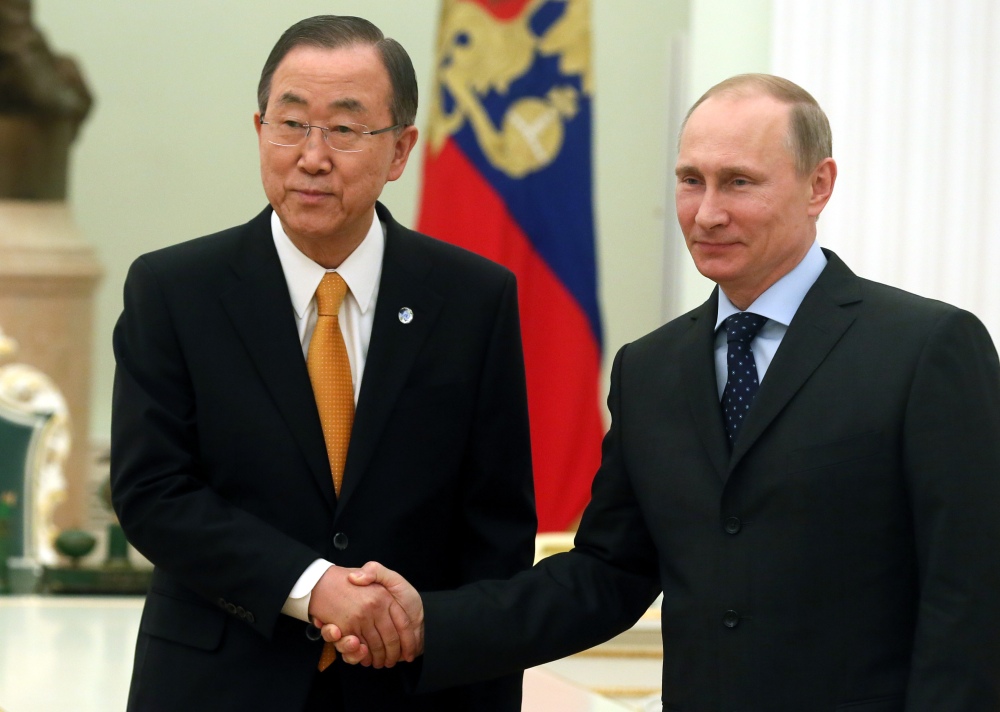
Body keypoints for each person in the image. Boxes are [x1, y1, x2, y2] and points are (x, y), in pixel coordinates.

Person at [324, 74, 1000, 710]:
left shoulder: (926, 348)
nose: (707, 213)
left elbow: (969, 594)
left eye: (738, 183)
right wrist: (425, 621)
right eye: (690, 181)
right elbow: (604, 575)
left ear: (818, 186)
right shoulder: (651, 369)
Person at [109, 15, 536, 712]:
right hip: (218, 685)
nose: (312, 155)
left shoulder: (472, 299)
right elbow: (154, 492)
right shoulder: (175, 290)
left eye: (344, 129)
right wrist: (312, 585)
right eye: (291, 123)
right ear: (258, 130)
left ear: (400, 151)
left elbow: (496, 533)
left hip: (410, 688)